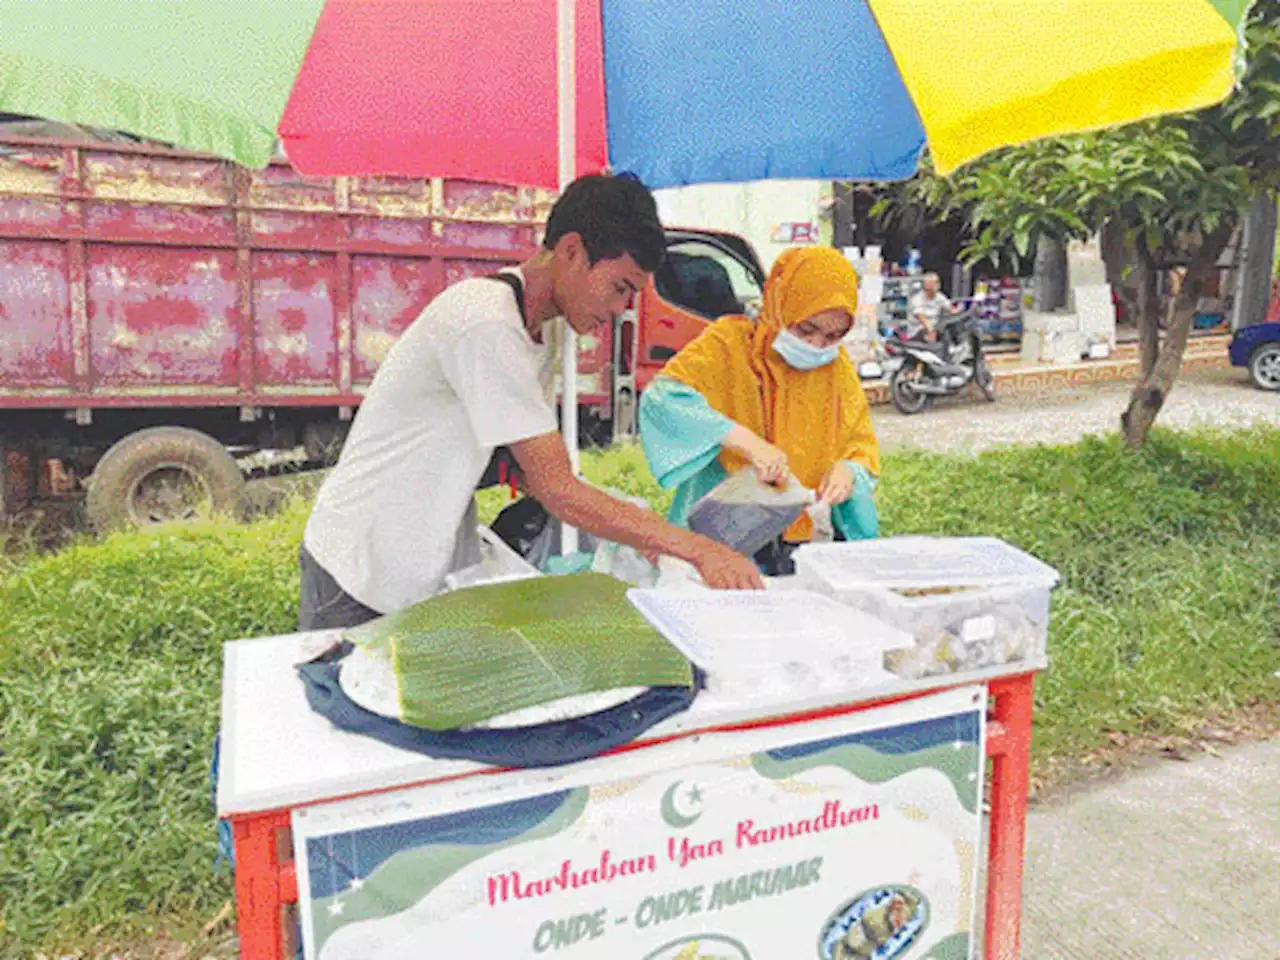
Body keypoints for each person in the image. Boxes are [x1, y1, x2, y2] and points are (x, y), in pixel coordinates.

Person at [299, 174, 763, 630]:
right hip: (360, 569)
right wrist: (698, 548)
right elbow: (557, 488)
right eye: (620, 287)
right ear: (572, 252)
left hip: (417, 562)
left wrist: (635, 525)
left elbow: (527, 467)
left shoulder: (543, 328)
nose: (622, 309)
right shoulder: (485, 324)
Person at [638, 246, 881, 577]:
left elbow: (860, 445)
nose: (817, 346)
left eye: (833, 336)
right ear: (780, 305)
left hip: (805, 542)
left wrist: (849, 472)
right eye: (806, 330)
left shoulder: (837, 370)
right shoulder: (729, 345)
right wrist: (746, 442)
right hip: (726, 532)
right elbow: (662, 399)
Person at [908, 271, 959, 341]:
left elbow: (950, 308)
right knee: (928, 329)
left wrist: (956, 310)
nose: (937, 285)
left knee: (951, 325)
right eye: (934, 283)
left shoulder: (940, 296)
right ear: (926, 285)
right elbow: (920, 316)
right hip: (919, 330)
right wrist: (930, 328)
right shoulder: (917, 298)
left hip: (936, 328)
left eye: (937, 282)